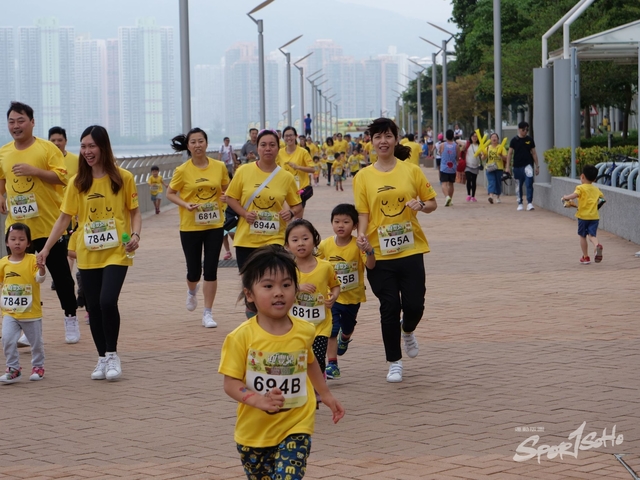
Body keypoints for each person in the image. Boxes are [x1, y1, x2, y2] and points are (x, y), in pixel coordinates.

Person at [218, 245, 344, 480]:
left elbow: (309, 362)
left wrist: (325, 394)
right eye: (268, 286)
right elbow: (231, 384)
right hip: (253, 433)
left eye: (286, 285)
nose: (279, 292)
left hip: (296, 423)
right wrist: (258, 400)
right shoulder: (240, 337)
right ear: (249, 294)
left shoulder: (305, 330)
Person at [38, 125, 141, 382]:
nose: (87, 151)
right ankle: (102, 357)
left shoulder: (123, 177)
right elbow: (64, 218)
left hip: (117, 252)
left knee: (107, 301)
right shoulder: (77, 182)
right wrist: (47, 248)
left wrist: (136, 236)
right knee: (93, 307)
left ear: (103, 147)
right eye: (83, 146)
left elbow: (134, 212)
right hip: (88, 253)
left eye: (92, 146)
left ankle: (113, 354)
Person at [354, 118, 437, 383]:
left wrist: (420, 205)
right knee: (389, 306)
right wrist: (361, 237)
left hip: (410, 249)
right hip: (379, 252)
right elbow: (363, 214)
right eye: (378, 137)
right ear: (371, 141)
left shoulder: (411, 171)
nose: (383, 141)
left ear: (395, 139)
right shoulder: (362, 177)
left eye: (388, 136)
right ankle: (394, 362)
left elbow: (432, 203)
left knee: (414, 305)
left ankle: (408, 330)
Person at [0, 102, 79, 344]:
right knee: (21, 280)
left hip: (48, 227)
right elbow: (2, 177)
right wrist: (1, 195)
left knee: (61, 277)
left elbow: (62, 178)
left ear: (32, 122)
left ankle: (70, 318)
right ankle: (27, 329)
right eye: (11, 121)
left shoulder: (47, 149)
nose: (16, 126)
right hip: (17, 230)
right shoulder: (4, 151)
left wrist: (34, 171)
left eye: (20, 120)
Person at [166, 128, 230, 328]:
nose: (197, 145)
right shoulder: (182, 170)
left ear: (206, 143)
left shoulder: (219, 167)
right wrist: (185, 204)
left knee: (211, 270)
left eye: (201, 141)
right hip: (190, 226)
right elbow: (170, 193)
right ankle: (192, 290)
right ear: (188, 146)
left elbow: (227, 189)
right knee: (194, 271)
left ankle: (207, 313)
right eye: (193, 142)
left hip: (214, 225)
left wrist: (225, 197)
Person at [225, 129, 302, 271]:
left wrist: (291, 213)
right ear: (257, 148)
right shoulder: (243, 171)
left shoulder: (286, 177)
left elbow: (297, 205)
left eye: (272, 145)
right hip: (246, 239)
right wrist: (244, 214)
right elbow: (230, 198)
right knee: (249, 282)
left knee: (271, 279)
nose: (268, 148)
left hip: (274, 239)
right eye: (263, 145)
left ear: (278, 148)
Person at [318, 204, 375, 380]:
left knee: (348, 327)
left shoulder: (358, 245)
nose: (340, 225)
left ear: (355, 225)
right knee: (332, 329)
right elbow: (315, 263)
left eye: (345, 222)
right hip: (332, 297)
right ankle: (332, 364)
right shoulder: (325, 245)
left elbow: (371, 265)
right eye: (336, 222)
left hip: (353, 297)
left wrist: (369, 251)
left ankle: (345, 337)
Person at [285, 219, 340, 377]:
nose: (301, 243)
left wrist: (334, 296)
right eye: (295, 240)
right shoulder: (287, 268)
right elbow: (280, 290)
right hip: (294, 326)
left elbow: (335, 285)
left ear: (315, 240)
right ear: (287, 245)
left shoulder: (325, 266)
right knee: (298, 360)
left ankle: (318, 385)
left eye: (305, 238)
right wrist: (297, 288)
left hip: (320, 326)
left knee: (318, 358)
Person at [0, 223, 46, 383]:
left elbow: (39, 279)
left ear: (28, 243)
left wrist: (42, 269)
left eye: (21, 239)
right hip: (10, 313)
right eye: (13, 239)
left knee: (36, 343)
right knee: (7, 339)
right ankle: (13, 369)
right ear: (7, 242)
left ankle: (38, 366)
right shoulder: (3, 263)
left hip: (31, 313)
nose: (17, 242)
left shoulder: (32, 260)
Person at [561, 165, 605, 265]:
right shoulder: (596, 189)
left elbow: (574, 195)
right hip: (594, 217)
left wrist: (566, 197)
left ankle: (585, 257)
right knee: (592, 235)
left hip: (583, 217)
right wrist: (596, 207)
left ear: (582, 176)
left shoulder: (580, 188)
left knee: (582, 236)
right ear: (594, 179)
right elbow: (603, 199)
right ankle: (597, 245)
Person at [277, 126, 315, 208]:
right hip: (285, 189)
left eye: (291, 135)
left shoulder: (303, 152)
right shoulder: (280, 152)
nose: (289, 138)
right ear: (283, 138)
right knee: (288, 213)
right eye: (286, 136)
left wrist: (297, 167)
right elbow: (274, 167)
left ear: (295, 136)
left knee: (297, 214)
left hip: (300, 190)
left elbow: (312, 169)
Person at [506, 121, 540, 211]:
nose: (525, 131)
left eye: (527, 130)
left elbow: (534, 153)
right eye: (523, 130)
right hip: (517, 166)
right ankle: (520, 203)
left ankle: (529, 202)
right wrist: (507, 167)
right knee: (518, 185)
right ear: (519, 129)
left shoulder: (530, 140)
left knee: (529, 183)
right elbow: (509, 154)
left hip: (528, 165)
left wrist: (537, 166)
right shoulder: (514, 140)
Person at [482, 133, 507, 204]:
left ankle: (498, 196)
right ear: (490, 139)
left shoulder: (501, 147)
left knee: (498, 183)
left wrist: (501, 155)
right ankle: (491, 196)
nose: (494, 138)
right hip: (489, 168)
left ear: (498, 139)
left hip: (499, 168)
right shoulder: (487, 148)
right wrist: (483, 155)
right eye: (492, 137)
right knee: (491, 181)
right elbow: (483, 158)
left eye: (495, 137)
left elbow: (506, 158)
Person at [439, 129, 459, 207]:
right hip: (452, 168)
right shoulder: (456, 146)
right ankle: (450, 198)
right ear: (453, 136)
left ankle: (447, 197)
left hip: (444, 167)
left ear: (446, 136)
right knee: (451, 184)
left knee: (444, 183)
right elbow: (457, 157)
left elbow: (440, 153)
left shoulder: (442, 145)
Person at [462, 132, 481, 202]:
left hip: (476, 165)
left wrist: (481, 155)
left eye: (476, 136)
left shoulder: (480, 146)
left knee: (474, 181)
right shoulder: (468, 144)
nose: (474, 138)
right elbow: (457, 141)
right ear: (471, 137)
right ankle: (468, 194)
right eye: (473, 136)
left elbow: (482, 156)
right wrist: (463, 146)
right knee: (468, 179)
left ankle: (473, 196)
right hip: (468, 165)